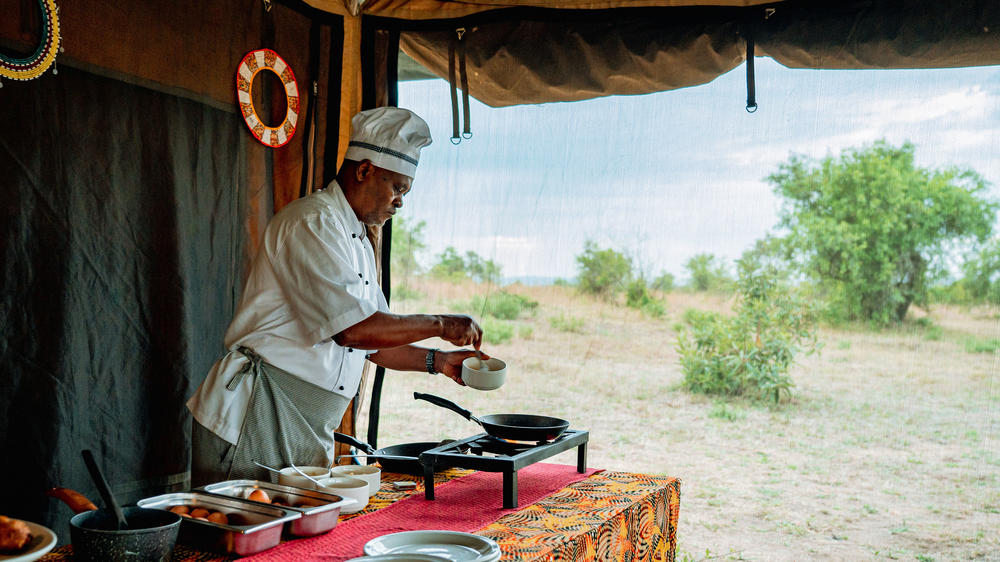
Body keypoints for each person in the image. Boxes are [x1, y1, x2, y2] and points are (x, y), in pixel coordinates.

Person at [186, 107, 484, 486]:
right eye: (397, 188)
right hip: (258, 412)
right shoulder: (312, 222)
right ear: (365, 170)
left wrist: (439, 362)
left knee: (291, 539)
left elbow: (373, 344)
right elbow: (353, 331)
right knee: (241, 533)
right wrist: (440, 324)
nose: (400, 202)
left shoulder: (356, 239)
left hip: (304, 420)